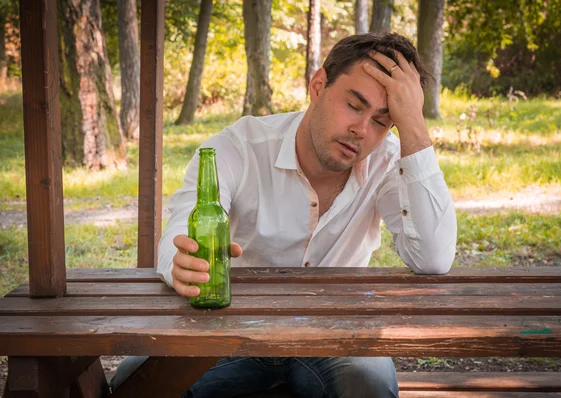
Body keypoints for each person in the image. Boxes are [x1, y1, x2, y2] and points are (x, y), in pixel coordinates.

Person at [112, 32, 457, 398]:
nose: (361, 130)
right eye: (355, 105)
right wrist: (179, 263)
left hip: (336, 334)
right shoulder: (238, 146)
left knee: (368, 384)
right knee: (138, 382)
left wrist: (414, 128)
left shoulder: (386, 162)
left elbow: (433, 259)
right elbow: (183, 224)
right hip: (229, 329)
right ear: (318, 84)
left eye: (383, 122)